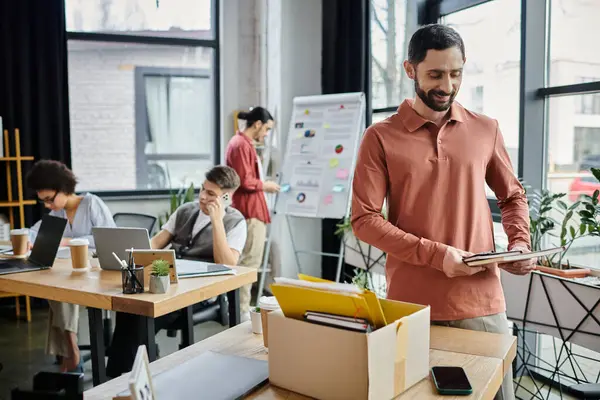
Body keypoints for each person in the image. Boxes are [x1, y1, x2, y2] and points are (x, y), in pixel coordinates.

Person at [351, 24, 533, 400]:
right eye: (435, 74)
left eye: (456, 74)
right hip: (412, 305)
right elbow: (365, 220)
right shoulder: (379, 137)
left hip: (481, 302)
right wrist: (436, 255)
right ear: (409, 69)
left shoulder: (486, 129)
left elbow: (512, 196)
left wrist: (519, 243)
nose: (447, 86)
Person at [106, 165, 247, 378]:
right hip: (170, 282)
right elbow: (156, 243)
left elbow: (227, 263)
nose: (202, 197)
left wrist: (217, 220)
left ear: (226, 198)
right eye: (202, 189)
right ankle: (120, 377)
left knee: (141, 315)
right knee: (129, 305)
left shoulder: (236, 222)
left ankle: (129, 377)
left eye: (211, 194)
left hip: (202, 292)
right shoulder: (185, 211)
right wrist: (132, 251)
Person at [26, 160, 116, 373]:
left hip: (97, 272)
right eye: (44, 202)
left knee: (60, 286)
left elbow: (109, 238)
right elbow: (34, 232)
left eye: (49, 199)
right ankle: (70, 348)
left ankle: (70, 351)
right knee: (53, 284)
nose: (48, 205)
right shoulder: (57, 213)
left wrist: (65, 241)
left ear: (64, 188)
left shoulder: (92, 204)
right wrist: (29, 240)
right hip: (71, 273)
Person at [226, 107, 280, 320]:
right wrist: (266, 185)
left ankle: (241, 310)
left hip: (251, 210)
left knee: (248, 263)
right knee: (248, 264)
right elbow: (244, 181)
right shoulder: (240, 145)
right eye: (266, 129)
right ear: (257, 124)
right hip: (249, 212)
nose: (266, 134)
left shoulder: (243, 144)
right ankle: (241, 312)